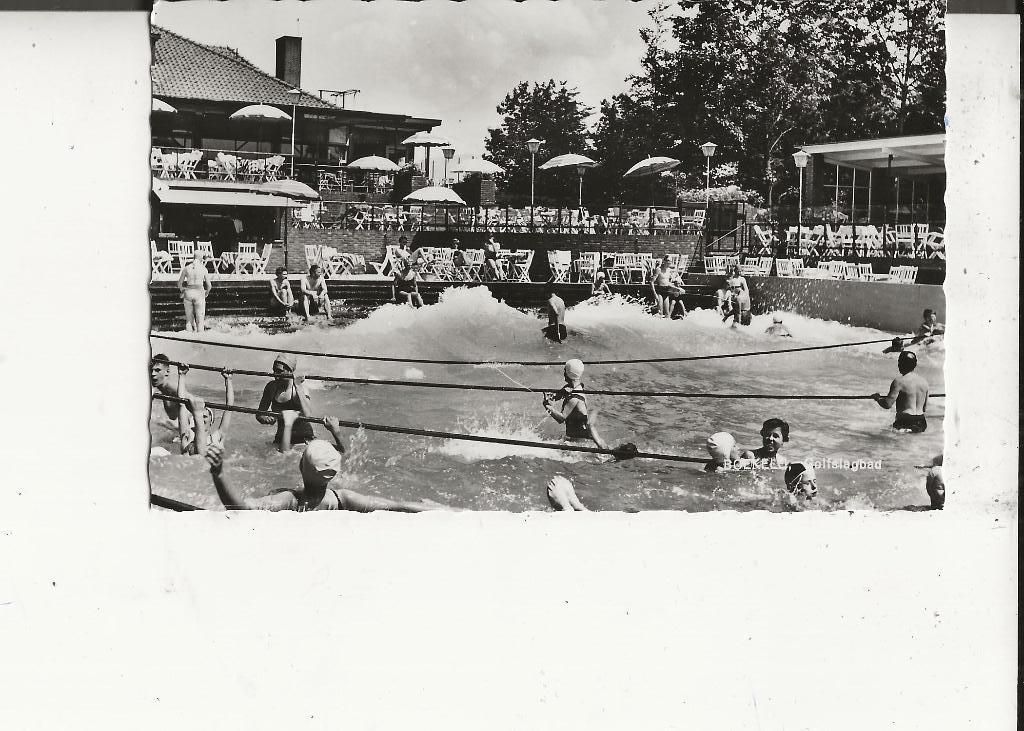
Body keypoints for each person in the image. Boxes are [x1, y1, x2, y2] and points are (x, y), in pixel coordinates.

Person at [204, 417, 450, 512]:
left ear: (301, 467)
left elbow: (241, 510)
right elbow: (397, 506)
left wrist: (219, 474)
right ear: (333, 475)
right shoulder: (343, 499)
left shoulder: (289, 500)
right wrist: (442, 510)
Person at [542, 359, 614, 452]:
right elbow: (558, 395)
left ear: (569, 373)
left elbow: (561, 418)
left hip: (579, 443)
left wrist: (546, 405)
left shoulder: (574, 398)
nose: (563, 373)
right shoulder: (574, 388)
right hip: (573, 439)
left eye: (565, 370)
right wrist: (553, 397)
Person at [256, 352, 318, 450]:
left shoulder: (301, 389)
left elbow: (307, 414)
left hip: (303, 439)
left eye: (279, 371)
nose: (275, 375)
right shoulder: (271, 387)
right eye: (274, 370)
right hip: (281, 438)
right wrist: (266, 419)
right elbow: (259, 414)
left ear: (290, 371)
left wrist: (298, 387)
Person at [176, 364, 234, 456]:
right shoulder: (188, 435)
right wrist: (182, 375)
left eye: (205, 416)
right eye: (199, 415)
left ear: (211, 420)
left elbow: (229, 408)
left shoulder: (217, 437)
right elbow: (181, 404)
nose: (202, 419)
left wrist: (228, 380)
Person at [871, 350, 930, 432]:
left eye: (899, 362)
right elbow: (924, 408)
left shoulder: (899, 382)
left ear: (903, 364)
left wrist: (878, 398)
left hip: (905, 422)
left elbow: (887, 404)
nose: (898, 365)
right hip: (921, 422)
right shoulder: (924, 382)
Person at [150, 353, 190, 431]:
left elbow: (193, 401)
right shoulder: (159, 387)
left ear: (167, 372)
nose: (153, 374)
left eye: (157, 370)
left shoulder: (171, 387)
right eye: (151, 370)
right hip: (177, 427)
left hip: (187, 428)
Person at [177, 251, 212, 332]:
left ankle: (188, 341)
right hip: (199, 293)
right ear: (201, 258)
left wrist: (183, 290)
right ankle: (200, 342)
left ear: (194, 257)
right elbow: (209, 286)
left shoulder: (186, 268)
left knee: (189, 321)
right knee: (200, 321)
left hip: (188, 292)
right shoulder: (204, 269)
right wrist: (206, 293)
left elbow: (179, 284)